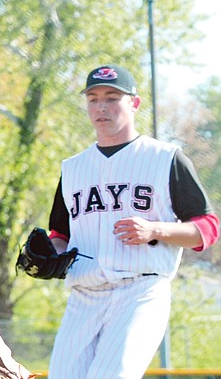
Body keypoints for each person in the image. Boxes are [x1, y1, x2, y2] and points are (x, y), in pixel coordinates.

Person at [45, 64, 219, 379]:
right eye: (93, 98)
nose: (101, 106)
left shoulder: (165, 158)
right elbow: (60, 233)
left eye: (112, 97)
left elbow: (207, 228)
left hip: (140, 289)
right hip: (85, 295)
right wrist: (50, 254)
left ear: (134, 103)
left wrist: (156, 229)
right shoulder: (73, 169)